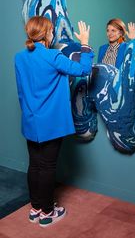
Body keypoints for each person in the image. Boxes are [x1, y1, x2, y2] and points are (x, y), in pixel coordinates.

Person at [14, 16, 94, 228]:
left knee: (35, 165)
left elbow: (21, 92)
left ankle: (36, 208)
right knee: (48, 167)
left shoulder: (19, 58)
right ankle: (48, 213)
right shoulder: (53, 56)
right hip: (51, 122)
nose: (52, 34)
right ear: (47, 33)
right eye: (51, 31)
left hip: (31, 121)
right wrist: (85, 43)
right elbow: (84, 70)